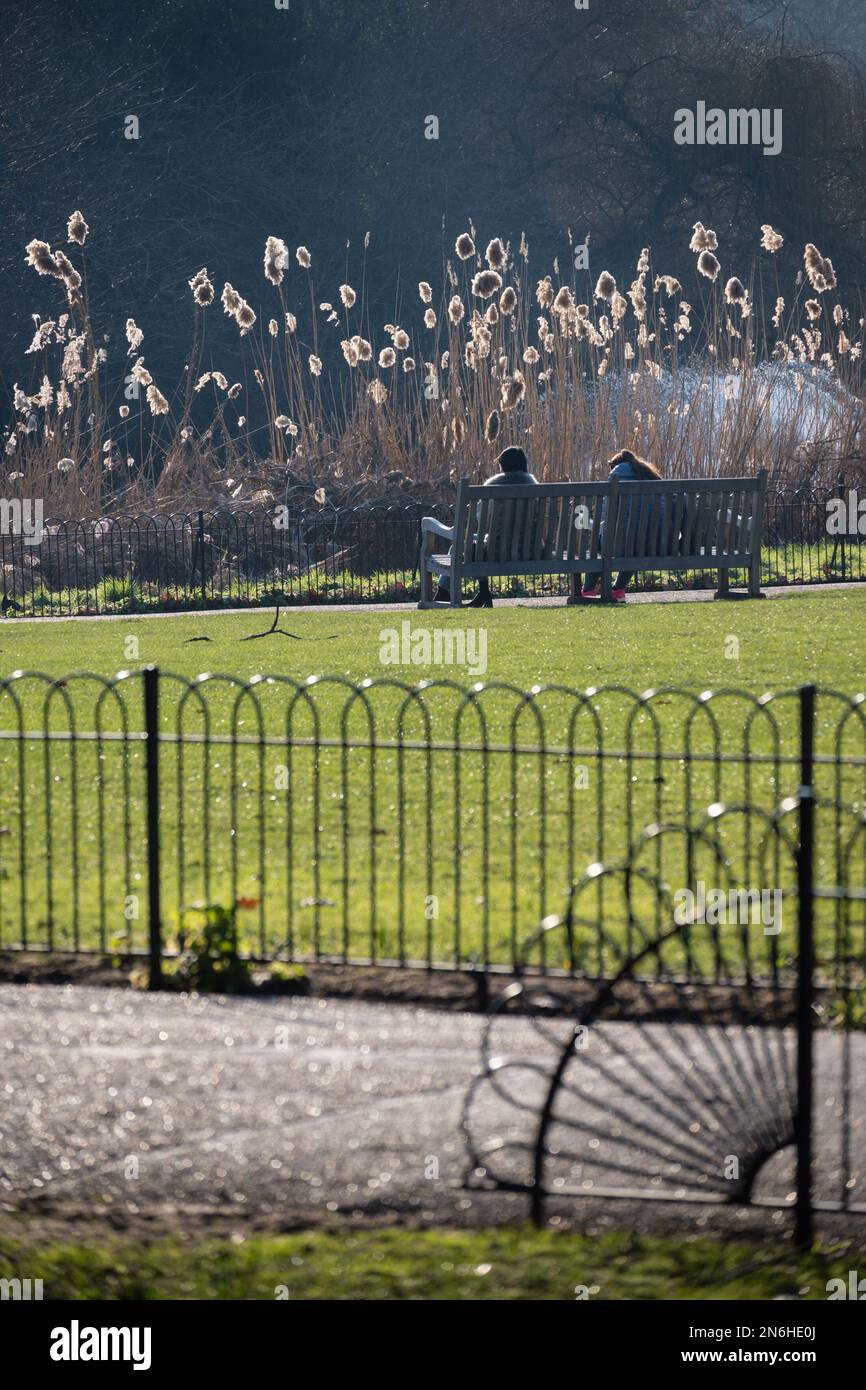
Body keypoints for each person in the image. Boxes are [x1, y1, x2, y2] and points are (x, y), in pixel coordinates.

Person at [434, 446, 539, 607]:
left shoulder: (493, 484)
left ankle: (445, 593)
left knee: (460, 547)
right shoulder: (534, 485)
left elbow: (482, 520)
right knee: (471, 546)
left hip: (496, 552)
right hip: (533, 550)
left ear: (503, 465)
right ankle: (482, 594)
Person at [582, 448, 664, 601]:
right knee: (634, 544)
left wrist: (594, 527)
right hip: (656, 542)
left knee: (600, 545)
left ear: (615, 466)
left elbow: (606, 516)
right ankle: (618, 588)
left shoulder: (616, 477)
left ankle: (588, 590)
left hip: (622, 542)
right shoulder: (653, 476)